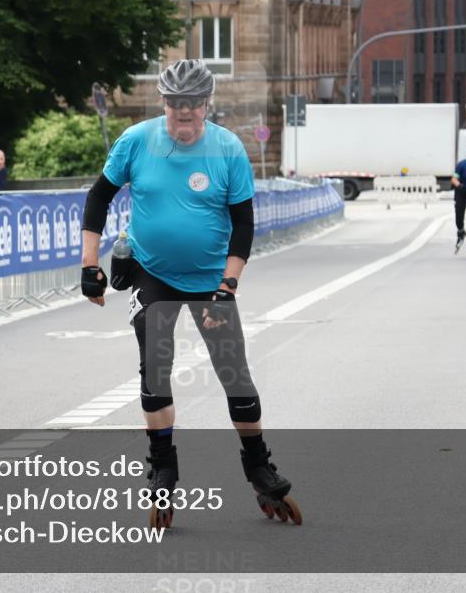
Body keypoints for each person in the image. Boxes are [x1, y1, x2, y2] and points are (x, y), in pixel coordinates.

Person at [80, 59, 301, 527]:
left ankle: (258, 465)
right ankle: (162, 467)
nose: (182, 114)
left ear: (206, 104)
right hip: (152, 273)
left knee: (234, 375)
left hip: (209, 280)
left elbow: (244, 223)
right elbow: (99, 197)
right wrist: (89, 265)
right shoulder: (137, 140)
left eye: (191, 105)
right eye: (174, 104)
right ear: (164, 103)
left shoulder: (227, 149)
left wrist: (229, 282)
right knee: (155, 367)